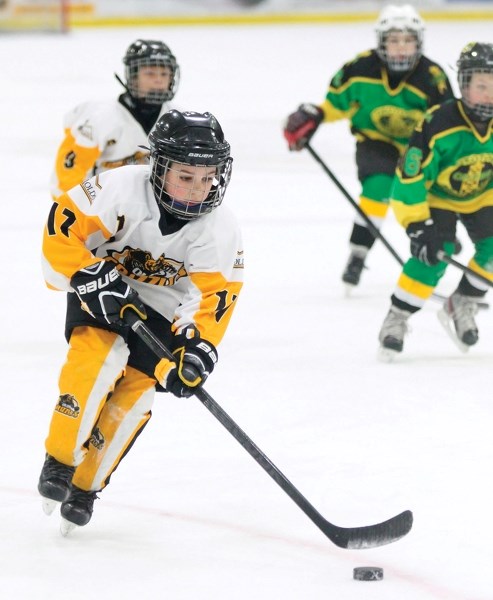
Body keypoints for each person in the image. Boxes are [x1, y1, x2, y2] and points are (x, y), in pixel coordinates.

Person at [38, 110, 244, 533]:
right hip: (103, 292)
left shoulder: (218, 228)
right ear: (160, 167)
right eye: (186, 176)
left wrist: (196, 346)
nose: (198, 188)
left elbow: (214, 298)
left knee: (133, 402)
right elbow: (63, 228)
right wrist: (85, 272)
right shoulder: (119, 186)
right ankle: (59, 461)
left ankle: (84, 488)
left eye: (208, 178)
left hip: (160, 317)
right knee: (96, 365)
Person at [283, 4, 455, 290]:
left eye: (407, 40)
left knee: (436, 194)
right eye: (393, 40)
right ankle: (358, 254)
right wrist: (315, 115)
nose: (400, 48)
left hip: (420, 148)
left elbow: (446, 126)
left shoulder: (433, 77)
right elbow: (335, 105)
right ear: (382, 41)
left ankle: (441, 235)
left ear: (418, 42)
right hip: (377, 141)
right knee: (377, 189)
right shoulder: (360, 68)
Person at [377, 42, 493, 359]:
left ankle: (464, 301)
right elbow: (410, 180)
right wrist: (417, 225)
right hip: (437, 198)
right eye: (482, 86)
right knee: (432, 254)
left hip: (483, 196)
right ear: (465, 85)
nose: (489, 94)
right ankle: (397, 317)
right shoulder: (438, 122)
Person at [50, 38, 180, 198]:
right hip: (100, 206)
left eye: (164, 73)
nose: (159, 79)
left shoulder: (179, 120)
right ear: (133, 77)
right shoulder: (100, 118)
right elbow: (69, 173)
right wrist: (72, 210)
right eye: (150, 73)